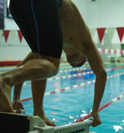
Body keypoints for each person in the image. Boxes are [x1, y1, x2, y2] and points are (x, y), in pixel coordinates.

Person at [0, 0, 107, 128]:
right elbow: (101, 73)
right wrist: (95, 111)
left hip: (16, 5)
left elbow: (23, 66)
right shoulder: (86, 44)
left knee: (41, 61)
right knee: (53, 66)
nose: (75, 65)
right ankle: (4, 81)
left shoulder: (57, 42)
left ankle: (38, 113)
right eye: (80, 64)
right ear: (83, 56)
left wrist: (16, 99)